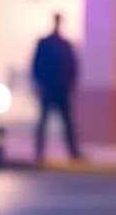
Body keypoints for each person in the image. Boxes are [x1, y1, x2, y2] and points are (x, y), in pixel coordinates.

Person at [30, 13, 82, 163]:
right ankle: (39, 152)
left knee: (67, 122)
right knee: (43, 121)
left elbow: (73, 66)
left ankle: (73, 152)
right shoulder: (45, 43)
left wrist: (71, 85)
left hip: (62, 89)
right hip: (48, 88)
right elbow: (36, 65)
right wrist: (39, 84)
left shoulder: (65, 44)